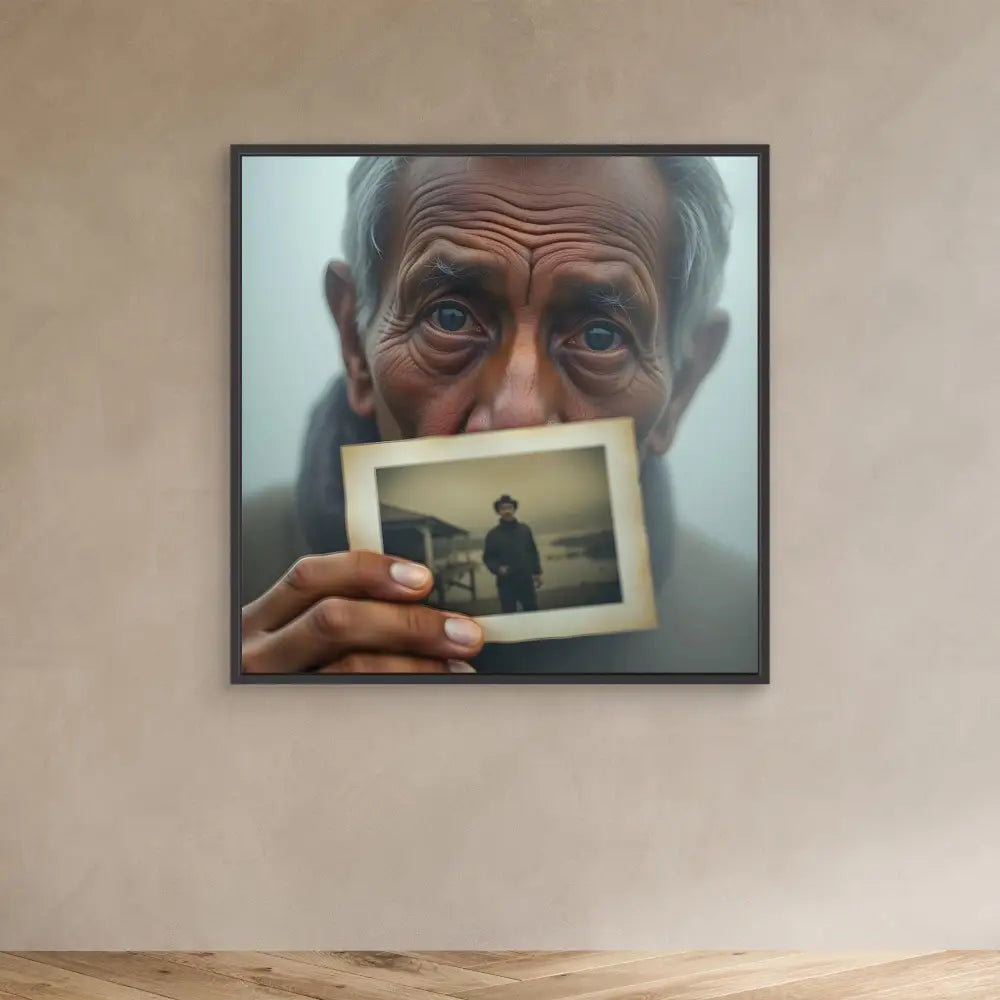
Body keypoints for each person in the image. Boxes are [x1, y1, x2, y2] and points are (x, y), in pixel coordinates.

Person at [240, 154, 759, 675]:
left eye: (600, 337)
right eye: (450, 317)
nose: (518, 416)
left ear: (684, 385)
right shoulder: (207, 584)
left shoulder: (752, 634)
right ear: (355, 341)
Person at [482, 495, 542, 613]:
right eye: (503, 509)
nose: (507, 511)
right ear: (499, 511)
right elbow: (488, 558)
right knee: (508, 614)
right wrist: (498, 569)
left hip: (525, 580)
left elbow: (532, 552)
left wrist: (537, 573)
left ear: (514, 509)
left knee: (532, 612)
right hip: (505, 582)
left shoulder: (524, 529)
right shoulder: (493, 534)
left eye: (509, 508)